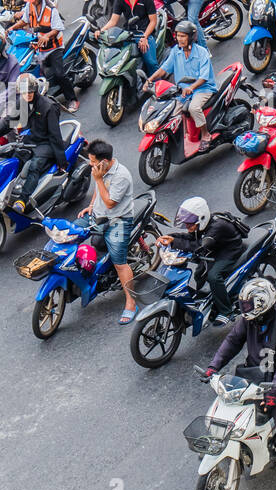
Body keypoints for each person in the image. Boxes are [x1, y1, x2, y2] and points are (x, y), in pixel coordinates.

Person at [204, 277, 276, 490]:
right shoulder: (248, 320)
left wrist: (274, 392)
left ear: (263, 305)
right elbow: (232, 342)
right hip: (253, 374)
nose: (244, 310)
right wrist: (213, 367)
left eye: (248, 306)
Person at [76, 139, 138, 323]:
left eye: (93, 161)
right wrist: (91, 205)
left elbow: (110, 203)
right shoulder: (100, 171)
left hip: (117, 221)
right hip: (98, 215)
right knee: (73, 232)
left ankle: (131, 302)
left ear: (104, 161)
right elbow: (98, 191)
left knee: (120, 263)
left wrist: (98, 179)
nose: (90, 164)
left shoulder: (122, 176)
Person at [159, 196, 244, 322]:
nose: (187, 227)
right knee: (200, 273)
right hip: (215, 248)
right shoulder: (201, 225)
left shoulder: (217, 227)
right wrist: (172, 237)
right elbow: (191, 237)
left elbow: (197, 246)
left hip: (229, 251)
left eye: (189, 224)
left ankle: (227, 311)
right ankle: (210, 299)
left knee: (213, 277)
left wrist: (175, 242)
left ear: (201, 218)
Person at [143, 20, 218, 148]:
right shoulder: (175, 52)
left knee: (193, 108)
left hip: (203, 89)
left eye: (183, 36)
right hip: (182, 91)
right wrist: (150, 80)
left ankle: (205, 134)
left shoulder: (202, 53)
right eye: (178, 35)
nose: (180, 39)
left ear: (191, 37)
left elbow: (204, 78)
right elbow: (163, 70)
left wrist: (191, 87)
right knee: (169, 110)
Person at [14, 0, 78, 111]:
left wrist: (47, 36)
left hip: (53, 47)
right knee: (34, 71)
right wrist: (12, 28)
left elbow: (57, 28)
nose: (29, 1)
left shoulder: (51, 9)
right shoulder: (29, 6)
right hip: (38, 47)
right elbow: (24, 21)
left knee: (60, 74)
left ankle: (72, 99)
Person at [12, 72, 69, 211]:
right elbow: (8, 121)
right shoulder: (22, 103)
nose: (28, 95)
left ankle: (23, 200)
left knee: (34, 166)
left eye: (30, 91)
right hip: (30, 141)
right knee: (13, 159)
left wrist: (62, 162)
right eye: (25, 92)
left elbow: (55, 136)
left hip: (46, 144)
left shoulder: (48, 106)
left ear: (35, 89)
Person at [99, 0, 159, 74]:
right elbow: (113, 21)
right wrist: (101, 31)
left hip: (144, 33)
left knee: (151, 62)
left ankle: (156, 84)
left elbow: (153, 21)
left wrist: (145, 37)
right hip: (128, 33)